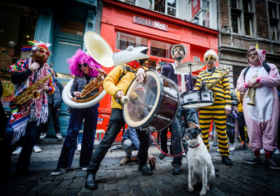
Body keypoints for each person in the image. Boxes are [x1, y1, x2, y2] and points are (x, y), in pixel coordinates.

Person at [85, 46, 151, 190]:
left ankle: (142, 164)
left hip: (136, 109)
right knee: (108, 140)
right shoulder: (121, 68)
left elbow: (150, 80)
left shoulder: (140, 70)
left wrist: (142, 69)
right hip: (120, 107)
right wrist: (118, 92)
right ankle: (91, 172)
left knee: (145, 138)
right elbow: (107, 82)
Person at [0, 41, 55, 176]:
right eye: (41, 51)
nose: (43, 54)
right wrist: (29, 70)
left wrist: (47, 88)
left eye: (46, 53)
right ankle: (3, 169)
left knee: (30, 138)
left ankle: (22, 167)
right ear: (35, 51)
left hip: (36, 109)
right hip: (20, 105)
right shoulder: (23, 63)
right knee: (9, 134)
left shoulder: (49, 70)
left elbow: (52, 88)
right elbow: (14, 79)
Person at [51, 49, 105, 175]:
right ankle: (62, 165)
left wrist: (105, 75)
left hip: (92, 107)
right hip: (78, 106)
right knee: (71, 134)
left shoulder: (98, 76)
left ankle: (85, 163)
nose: (83, 67)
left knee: (89, 134)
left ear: (91, 64)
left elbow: (108, 85)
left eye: (85, 65)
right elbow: (70, 91)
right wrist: (73, 93)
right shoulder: (77, 77)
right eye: (80, 65)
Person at [237, 46, 280, 170]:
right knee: (252, 131)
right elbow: (239, 86)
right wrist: (248, 83)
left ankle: (268, 158)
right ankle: (256, 156)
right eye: (249, 54)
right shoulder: (245, 71)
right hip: (251, 107)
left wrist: (259, 79)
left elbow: (276, 81)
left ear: (261, 55)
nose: (251, 56)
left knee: (270, 130)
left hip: (269, 104)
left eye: (254, 53)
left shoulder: (270, 67)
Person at [160, 44, 200, 175]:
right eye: (176, 50)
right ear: (173, 54)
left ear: (184, 54)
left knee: (195, 130)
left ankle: (198, 161)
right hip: (174, 103)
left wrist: (196, 93)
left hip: (188, 103)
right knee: (177, 133)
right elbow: (161, 84)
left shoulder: (188, 70)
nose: (178, 51)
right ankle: (176, 163)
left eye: (181, 50)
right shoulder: (166, 68)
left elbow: (190, 87)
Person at [195, 49, 233, 165]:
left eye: (211, 58)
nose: (209, 60)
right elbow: (197, 90)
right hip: (205, 106)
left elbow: (227, 89)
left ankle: (225, 155)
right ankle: (205, 156)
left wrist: (228, 104)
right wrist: (197, 104)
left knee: (221, 130)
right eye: (207, 58)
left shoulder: (222, 72)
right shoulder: (201, 74)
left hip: (220, 105)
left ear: (215, 60)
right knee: (204, 132)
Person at [40, 72, 63, 140]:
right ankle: (44, 132)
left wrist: (60, 100)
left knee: (56, 118)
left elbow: (63, 93)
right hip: (48, 103)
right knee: (46, 118)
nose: (53, 77)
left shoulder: (58, 84)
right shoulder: (46, 84)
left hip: (57, 104)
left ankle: (58, 133)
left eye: (54, 75)